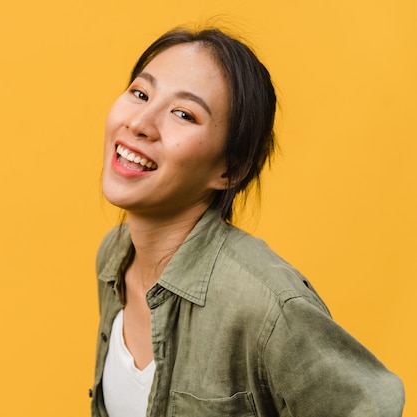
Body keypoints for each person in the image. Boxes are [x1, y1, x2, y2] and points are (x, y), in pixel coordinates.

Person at [90, 26, 404, 417]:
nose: (140, 123)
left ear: (230, 170)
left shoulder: (265, 305)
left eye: (184, 114)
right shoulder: (116, 257)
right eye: (140, 93)